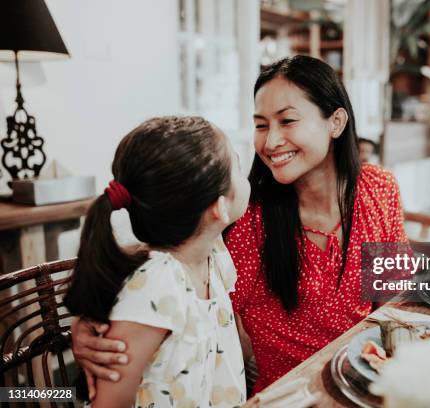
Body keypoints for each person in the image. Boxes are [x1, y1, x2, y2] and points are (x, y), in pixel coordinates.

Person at [70, 56, 409, 396]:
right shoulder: (246, 217)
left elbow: (395, 296)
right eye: (261, 125)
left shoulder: (379, 187)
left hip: (372, 380)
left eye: (287, 120)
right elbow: (174, 261)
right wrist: (94, 323)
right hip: (288, 398)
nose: (271, 141)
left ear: (335, 122)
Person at [64, 116, 250, 407]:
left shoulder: (213, 252)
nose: (245, 174)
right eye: (238, 167)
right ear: (219, 208)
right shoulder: (158, 284)